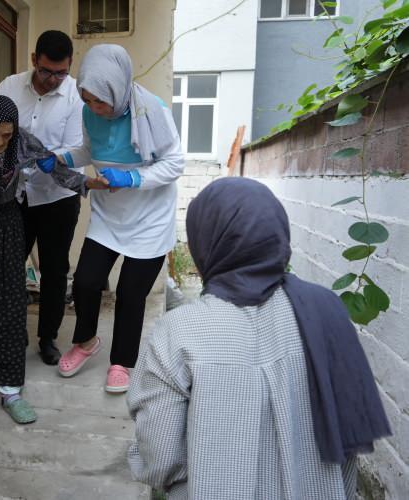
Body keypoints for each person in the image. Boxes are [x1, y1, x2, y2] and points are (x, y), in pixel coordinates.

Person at [127, 177, 391, 499]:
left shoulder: (177, 332)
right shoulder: (327, 312)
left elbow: (160, 459)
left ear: (204, 243)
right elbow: (348, 443)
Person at [0, 95, 105, 424]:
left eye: (6, 136)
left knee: (9, 302)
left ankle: (10, 390)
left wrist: (87, 183)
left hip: (7, 226)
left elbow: (55, 169)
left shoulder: (23, 143)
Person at [54, 44, 184, 393]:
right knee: (84, 281)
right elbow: (89, 150)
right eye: (88, 100)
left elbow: (175, 163)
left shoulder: (152, 110)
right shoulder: (89, 113)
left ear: (118, 87)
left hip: (150, 217)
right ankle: (85, 342)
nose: (95, 109)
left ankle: (121, 362)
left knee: (130, 294)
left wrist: (133, 178)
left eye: (101, 101)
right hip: (109, 215)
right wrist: (61, 158)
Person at [0, 30, 83, 366]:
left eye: (61, 72)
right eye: (46, 71)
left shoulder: (75, 97)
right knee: (9, 267)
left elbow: (77, 149)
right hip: (15, 195)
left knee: (55, 271)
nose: (53, 79)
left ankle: (48, 339)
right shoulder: (10, 87)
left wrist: (54, 158)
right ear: (34, 61)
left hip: (56, 197)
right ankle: (14, 333)